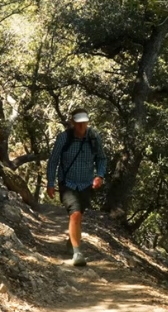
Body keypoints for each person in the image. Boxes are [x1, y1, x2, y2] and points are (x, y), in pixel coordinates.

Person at [46, 108, 107, 267]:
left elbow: (101, 158)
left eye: (84, 123)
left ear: (87, 122)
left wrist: (99, 175)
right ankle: (77, 253)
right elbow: (53, 161)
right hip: (67, 183)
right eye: (78, 123)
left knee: (79, 215)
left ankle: (71, 241)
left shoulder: (94, 137)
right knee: (75, 214)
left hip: (86, 184)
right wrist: (51, 183)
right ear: (73, 122)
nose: (81, 126)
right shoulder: (63, 138)